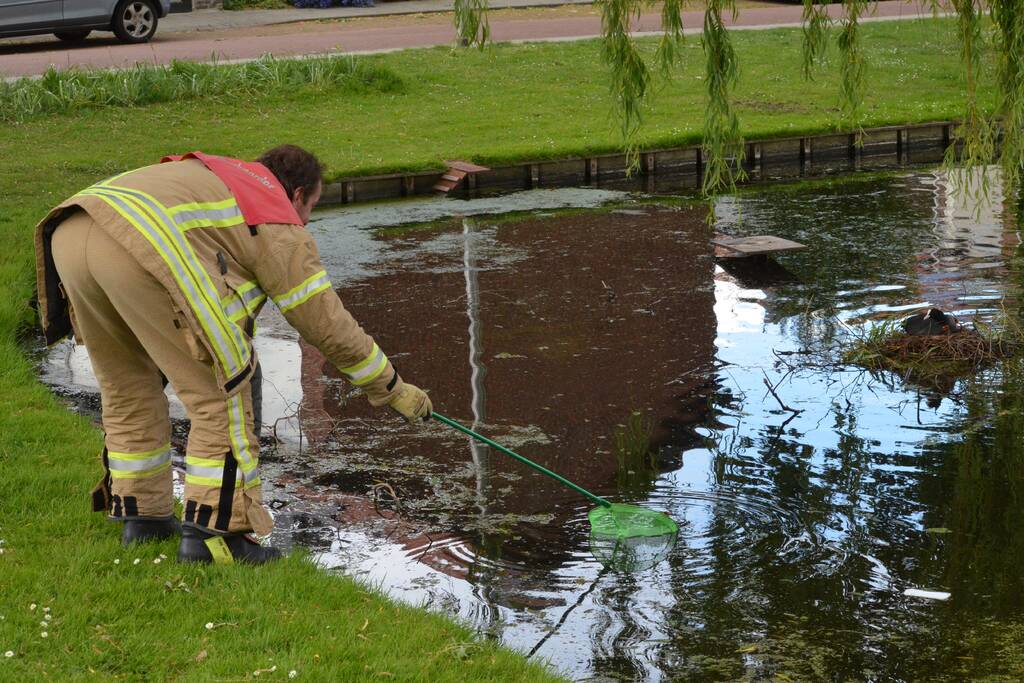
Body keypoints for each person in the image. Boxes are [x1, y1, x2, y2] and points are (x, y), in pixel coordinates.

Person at [34, 145, 432, 564]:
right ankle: (214, 537)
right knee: (225, 390)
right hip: (138, 242)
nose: (307, 220)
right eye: (311, 207)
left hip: (73, 230)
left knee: (129, 386)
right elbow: (324, 322)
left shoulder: (223, 180)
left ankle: (143, 521)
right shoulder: (272, 210)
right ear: (297, 194)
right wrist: (389, 386)